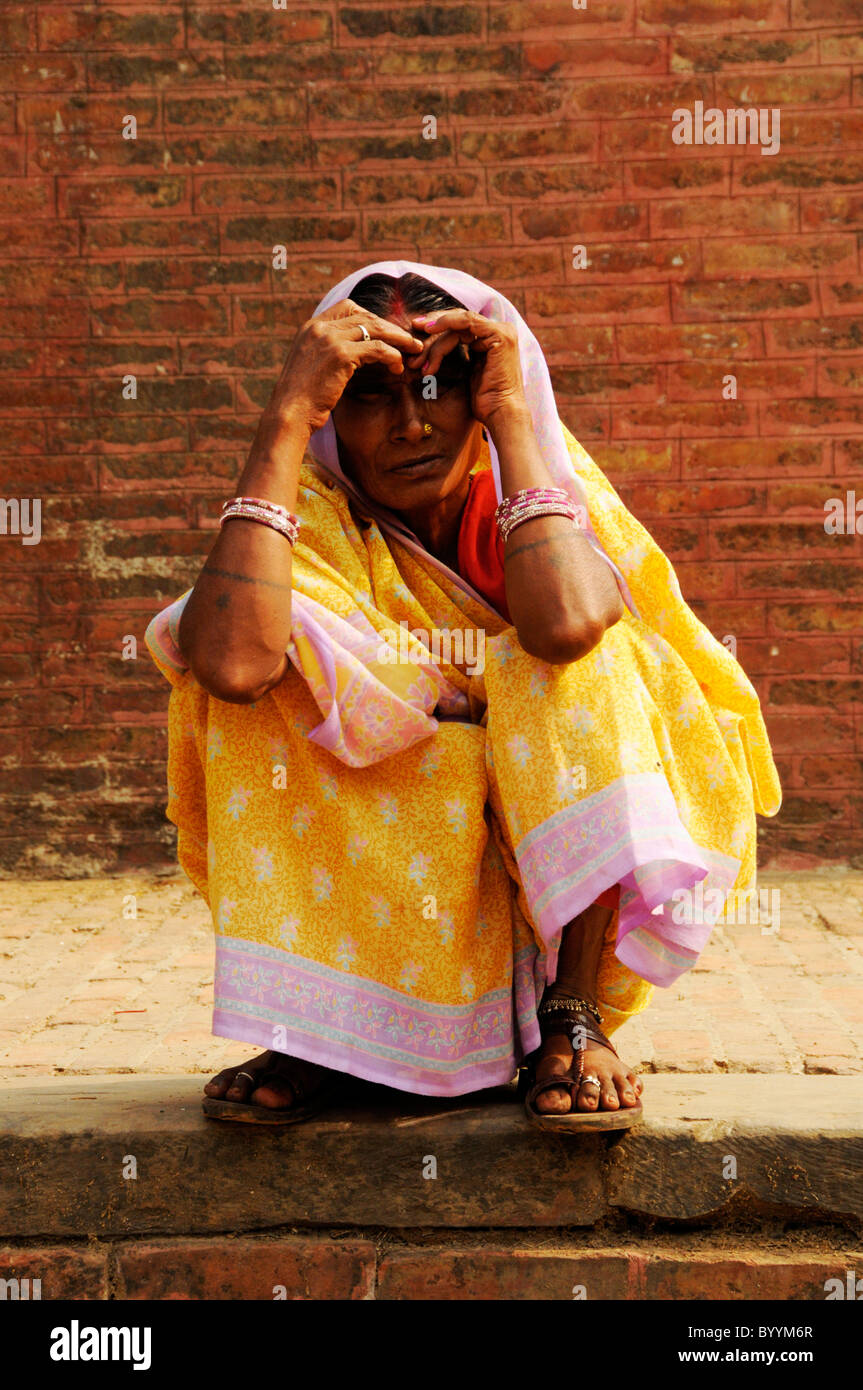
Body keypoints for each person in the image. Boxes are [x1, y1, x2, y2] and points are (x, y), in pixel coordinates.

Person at [144, 260, 781, 1131]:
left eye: (438, 387)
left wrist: (515, 416)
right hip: (405, 813)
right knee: (246, 672)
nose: (411, 425)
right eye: (370, 396)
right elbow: (231, 665)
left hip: (549, 826)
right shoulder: (319, 514)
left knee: (573, 658)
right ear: (333, 410)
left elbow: (562, 628)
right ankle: (321, 1034)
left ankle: (573, 1014)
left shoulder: (537, 484)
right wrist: (285, 416)